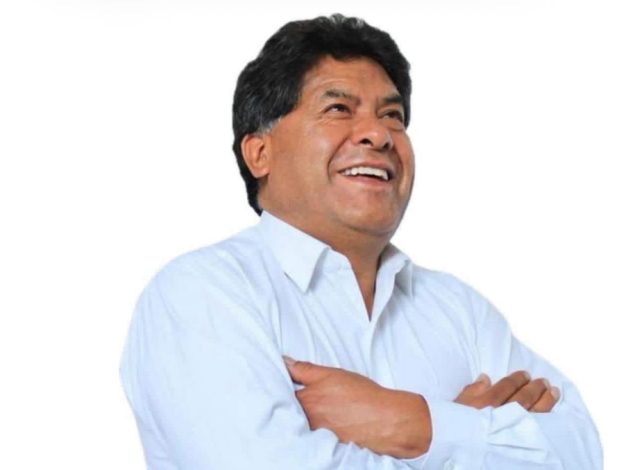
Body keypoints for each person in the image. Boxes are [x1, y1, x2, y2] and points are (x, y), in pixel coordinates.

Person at [120, 13, 602, 470]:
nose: (379, 134)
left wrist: (412, 423)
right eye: (338, 109)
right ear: (260, 153)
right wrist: (473, 436)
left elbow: (581, 450)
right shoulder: (202, 294)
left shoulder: (460, 310)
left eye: (393, 116)